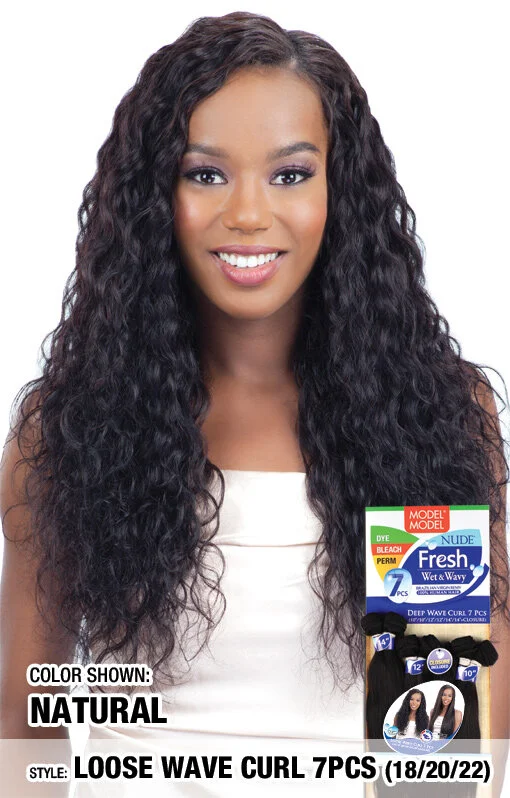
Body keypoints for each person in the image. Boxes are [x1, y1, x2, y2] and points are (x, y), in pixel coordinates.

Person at [0, 9, 509, 796]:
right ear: (154, 195)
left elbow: (442, 752)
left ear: (341, 192)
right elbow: (26, 728)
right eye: (205, 174)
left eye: (290, 175)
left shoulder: (428, 417)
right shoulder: (73, 426)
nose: (246, 214)